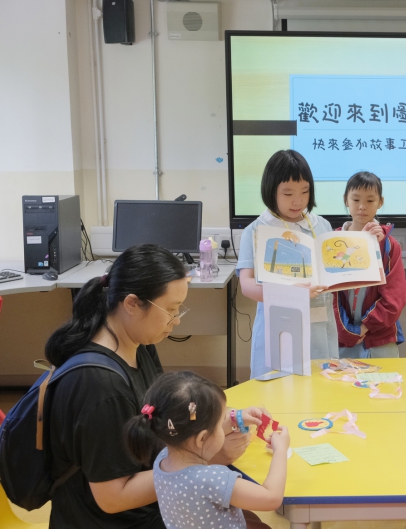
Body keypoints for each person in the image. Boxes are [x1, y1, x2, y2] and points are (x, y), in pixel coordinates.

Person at [44, 244, 255, 528]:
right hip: (114, 522)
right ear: (132, 304)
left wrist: (214, 423)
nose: (176, 320)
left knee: (244, 517)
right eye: (170, 309)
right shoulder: (100, 386)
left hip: (151, 505)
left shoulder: (138, 344)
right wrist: (207, 459)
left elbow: (160, 418)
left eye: (179, 309)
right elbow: (112, 498)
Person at [237, 150, 376, 376]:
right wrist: (292, 293)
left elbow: (337, 267)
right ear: (271, 191)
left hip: (319, 326)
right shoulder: (256, 230)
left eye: (305, 191)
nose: (298, 201)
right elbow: (246, 284)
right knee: (277, 385)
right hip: (279, 324)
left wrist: (366, 246)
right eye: (288, 193)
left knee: (320, 381)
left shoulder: (321, 225)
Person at [124, 371, 290, 529]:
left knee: (250, 517)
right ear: (202, 438)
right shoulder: (214, 479)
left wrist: (237, 419)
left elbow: (196, 430)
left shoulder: (162, 459)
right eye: (221, 421)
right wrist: (280, 449)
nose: (224, 425)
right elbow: (271, 498)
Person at [333, 171, 406, 358]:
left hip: (379, 340)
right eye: (356, 199)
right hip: (340, 338)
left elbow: (395, 296)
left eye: (370, 200)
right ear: (345, 200)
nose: (362, 206)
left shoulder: (389, 245)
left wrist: (365, 327)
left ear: (380, 202)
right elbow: (330, 295)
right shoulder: (333, 242)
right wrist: (348, 331)